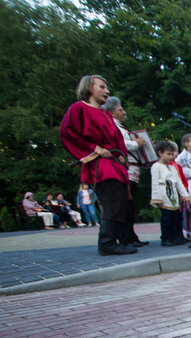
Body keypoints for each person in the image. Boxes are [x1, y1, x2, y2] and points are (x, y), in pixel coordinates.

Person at [59, 74, 136, 255]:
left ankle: (113, 241)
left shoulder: (106, 114)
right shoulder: (79, 108)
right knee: (112, 203)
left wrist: (123, 159)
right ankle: (107, 244)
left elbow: (117, 140)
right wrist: (94, 149)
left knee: (120, 203)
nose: (106, 91)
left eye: (106, 87)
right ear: (89, 88)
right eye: (101, 87)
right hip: (101, 166)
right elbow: (66, 132)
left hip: (115, 164)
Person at [103, 96, 147, 247]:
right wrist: (137, 143)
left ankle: (130, 237)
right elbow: (120, 145)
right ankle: (125, 238)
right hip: (124, 170)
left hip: (132, 170)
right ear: (112, 112)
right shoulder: (112, 126)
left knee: (129, 206)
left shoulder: (121, 127)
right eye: (120, 109)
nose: (124, 112)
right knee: (124, 206)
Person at [150, 140, 190, 246]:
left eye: (172, 154)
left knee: (176, 217)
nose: (171, 157)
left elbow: (179, 182)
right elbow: (154, 183)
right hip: (164, 194)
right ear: (160, 153)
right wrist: (157, 198)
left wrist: (185, 195)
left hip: (173, 194)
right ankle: (166, 238)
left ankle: (176, 236)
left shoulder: (172, 167)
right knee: (166, 218)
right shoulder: (156, 167)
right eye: (168, 154)